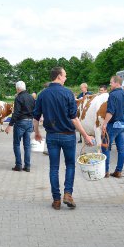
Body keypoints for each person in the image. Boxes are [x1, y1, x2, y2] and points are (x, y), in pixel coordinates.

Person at [33, 67, 94, 210]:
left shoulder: (42, 94)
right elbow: (74, 119)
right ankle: (68, 194)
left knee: (54, 168)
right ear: (59, 76)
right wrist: (85, 136)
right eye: (65, 75)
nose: (66, 78)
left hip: (52, 136)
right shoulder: (68, 94)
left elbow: (35, 118)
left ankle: (56, 200)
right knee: (70, 165)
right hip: (68, 136)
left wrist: (36, 132)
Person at [101, 75, 124, 178]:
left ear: (117, 83)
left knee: (105, 147)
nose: (110, 84)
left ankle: (105, 171)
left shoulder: (112, 95)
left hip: (114, 124)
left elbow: (110, 111)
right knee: (121, 148)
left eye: (111, 82)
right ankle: (118, 171)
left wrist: (104, 123)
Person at [6, 81, 35, 172]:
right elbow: (35, 110)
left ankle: (18, 165)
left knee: (17, 144)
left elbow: (16, 113)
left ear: (18, 89)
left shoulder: (18, 98)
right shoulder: (31, 97)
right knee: (27, 145)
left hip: (20, 123)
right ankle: (27, 166)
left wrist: (10, 125)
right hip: (30, 122)